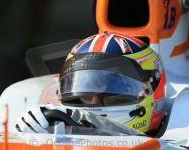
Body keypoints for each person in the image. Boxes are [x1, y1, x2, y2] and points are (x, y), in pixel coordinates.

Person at [16, 31, 166, 135]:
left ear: (153, 85)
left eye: (113, 88)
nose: (93, 102)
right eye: (84, 89)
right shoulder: (56, 118)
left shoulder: (183, 138)